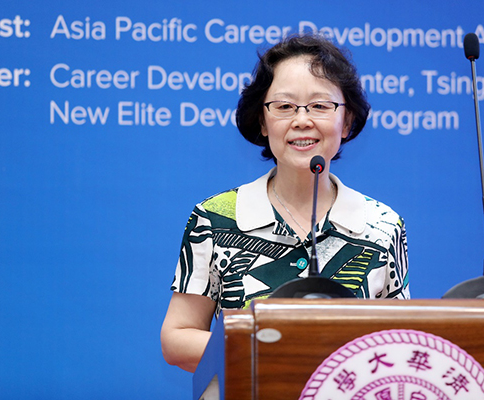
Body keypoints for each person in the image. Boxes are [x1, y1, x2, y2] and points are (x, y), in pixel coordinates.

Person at [160, 34, 410, 372]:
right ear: (262, 121)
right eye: (284, 106)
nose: (302, 120)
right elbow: (177, 338)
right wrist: (271, 349)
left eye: (320, 106)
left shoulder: (383, 225)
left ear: (347, 121)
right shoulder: (215, 219)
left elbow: (399, 343)